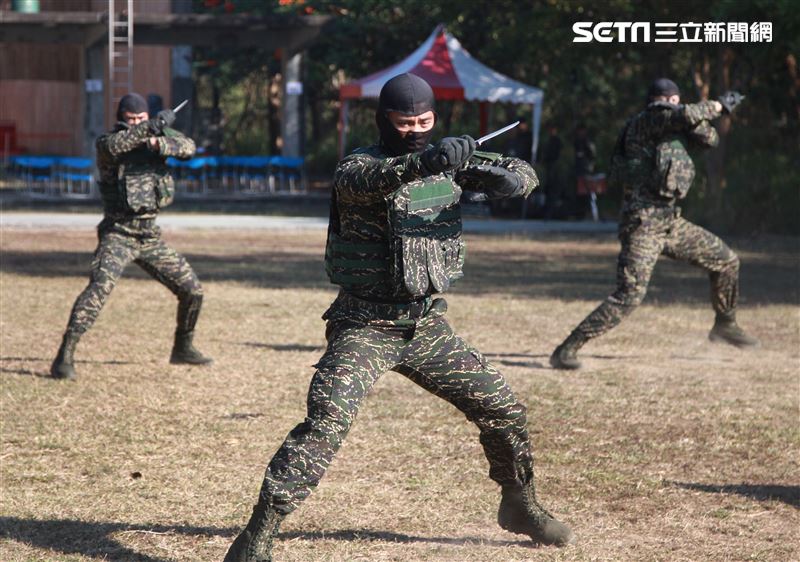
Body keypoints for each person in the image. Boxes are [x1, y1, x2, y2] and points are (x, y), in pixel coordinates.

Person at [224, 73, 574, 561]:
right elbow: (370, 180)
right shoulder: (358, 166)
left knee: (504, 410)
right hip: (363, 324)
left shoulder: (451, 161)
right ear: (383, 120)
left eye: (424, 121)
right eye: (403, 122)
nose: (414, 129)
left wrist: (500, 177)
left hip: (425, 325)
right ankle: (257, 536)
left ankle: (520, 503)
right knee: (325, 423)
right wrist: (425, 160)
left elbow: (524, 175)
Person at [550, 78, 758, 370]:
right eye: (675, 101)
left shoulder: (671, 128)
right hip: (643, 223)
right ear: (667, 100)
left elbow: (709, 139)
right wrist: (719, 106)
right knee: (629, 296)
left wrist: (698, 124)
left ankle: (725, 324)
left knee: (727, 261)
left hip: (671, 220)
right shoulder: (647, 120)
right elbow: (684, 115)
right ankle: (566, 350)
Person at [50, 93, 212, 380]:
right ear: (121, 118)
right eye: (131, 119)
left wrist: (158, 140)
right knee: (98, 289)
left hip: (149, 237)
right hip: (118, 234)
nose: (136, 123)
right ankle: (65, 356)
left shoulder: (156, 138)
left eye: (141, 119)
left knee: (193, 290)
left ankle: (183, 348)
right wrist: (151, 127)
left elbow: (188, 147)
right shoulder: (108, 144)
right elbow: (118, 144)